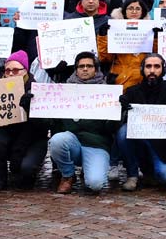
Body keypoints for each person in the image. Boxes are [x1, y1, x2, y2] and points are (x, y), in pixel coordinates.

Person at [48, 51, 117, 194]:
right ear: (76, 70)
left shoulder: (107, 91)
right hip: (73, 141)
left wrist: (117, 109)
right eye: (81, 66)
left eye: (89, 66)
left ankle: (89, 169)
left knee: (95, 184)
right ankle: (68, 175)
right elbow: (51, 121)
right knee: (57, 140)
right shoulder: (65, 89)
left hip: (96, 144)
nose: (85, 69)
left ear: (96, 69)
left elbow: (112, 128)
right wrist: (31, 105)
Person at [116, 53, 166, 191]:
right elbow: (119, 121)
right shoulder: (132, 92)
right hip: (140, 144)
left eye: (156, 66)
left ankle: (150, 172)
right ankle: (132, 174)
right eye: (148, 66)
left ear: (163, 70)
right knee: (123, 132)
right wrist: (121, 106)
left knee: (165, 177)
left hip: (162, 147)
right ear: (142, 69)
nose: (152, 70)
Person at [0, 51, 49, 191]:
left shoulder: (37, 90)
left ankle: (27, 173)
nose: (10, 74)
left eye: (15, 70)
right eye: (7, 70)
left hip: (33, 140)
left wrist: (30, 110)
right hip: (9, 135)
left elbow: (44, 127)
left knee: (25, 173)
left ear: (25, 71)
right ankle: (0, 177)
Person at [100, 0, 154, 90]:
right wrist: (103, 37)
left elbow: (156, 55)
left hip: (142, 82)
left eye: (138, 8)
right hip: (120, 81)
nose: (134, 11)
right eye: (130, 8)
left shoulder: (151, 29)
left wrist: (155, 38)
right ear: (124, 11)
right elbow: (105, 58)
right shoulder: (114, 29)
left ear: (142, 12)